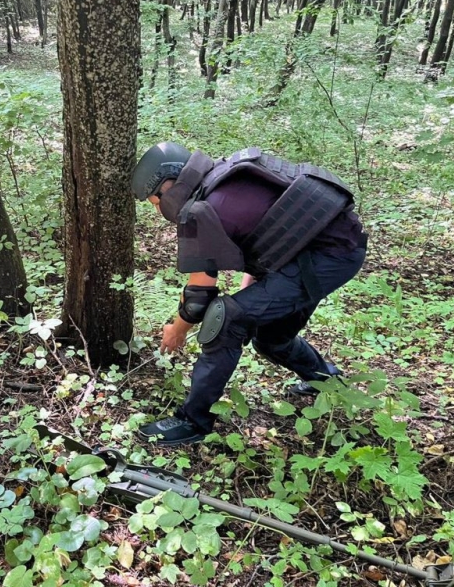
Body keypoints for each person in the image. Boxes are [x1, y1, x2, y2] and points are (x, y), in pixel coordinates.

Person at [130, 143, 367, 446]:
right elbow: (268, 232)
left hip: (326, 257)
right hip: (337, 246)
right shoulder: (224, 176)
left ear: (169, 185)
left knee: (227, 318)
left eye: (153, 201)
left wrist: (176, 331)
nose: (156, 208)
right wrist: (254, 285)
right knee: (270, 337)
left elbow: (198, 297)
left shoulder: (201, 211)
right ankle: (327, 381)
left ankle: (192, 422)